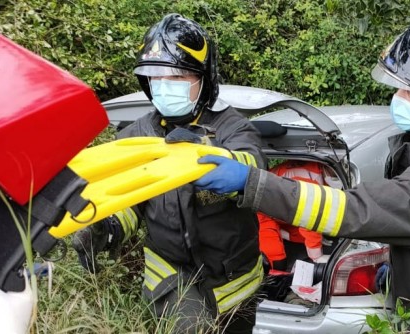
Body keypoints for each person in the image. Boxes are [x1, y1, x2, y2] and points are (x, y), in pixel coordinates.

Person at [193, 14, 410, 331]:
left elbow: (348, 210)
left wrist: (251, 182)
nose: (397, 99)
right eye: (399, 90)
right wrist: (399, 270)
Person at [72, 14, 266, 334]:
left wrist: (202, 152)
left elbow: (253, 164)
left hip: (236, 279)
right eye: (156, 77)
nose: (164, 86)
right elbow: (129, 197)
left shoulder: (232, 127)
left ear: (203, 78)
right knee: (190, 327)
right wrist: (105, 228)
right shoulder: (137, 136)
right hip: (172, 274)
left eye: (177, 77)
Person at [258, 161, 328, 271]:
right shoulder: (307, 180)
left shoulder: (317, 170)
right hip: (263, 211)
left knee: (305, 238)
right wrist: (317, 256)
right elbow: (309, 217)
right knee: (276, 260)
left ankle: (283, 234)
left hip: (284, 209)